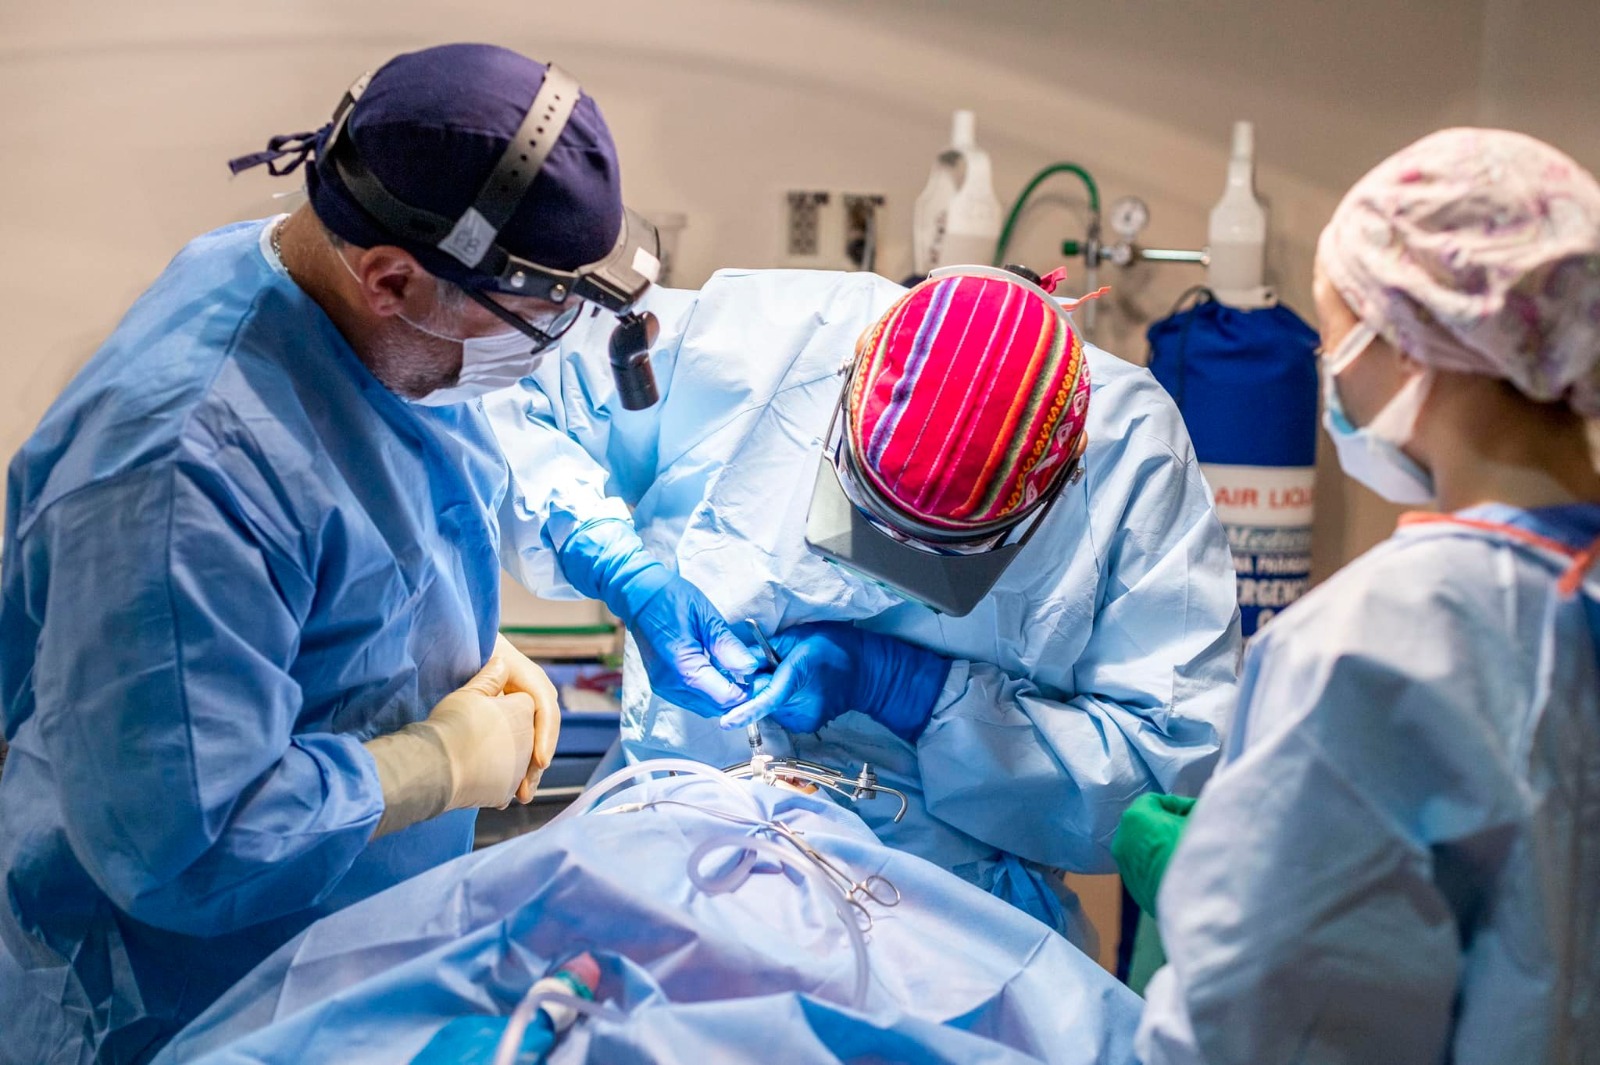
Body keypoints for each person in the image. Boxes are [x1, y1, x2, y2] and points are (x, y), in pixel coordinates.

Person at [0, 42, 663, 1062]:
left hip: (341, 941)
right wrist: (435, 763)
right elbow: (186, 848)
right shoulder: (175, 473)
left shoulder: (335, 309)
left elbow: (373, 528)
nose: (536, 355)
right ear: (392, 277)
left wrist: (458, 654)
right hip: (176, 1000)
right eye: (528, 329)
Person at [489, 263, 1242, 941]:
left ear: (1055, 493)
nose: (883, 573)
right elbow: (509, 395)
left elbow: (1161, 780)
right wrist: (624, 569)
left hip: (940, 924)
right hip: (667, 850)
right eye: (866, 518)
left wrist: (912, 692)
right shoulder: (764, 343)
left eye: (933, 553)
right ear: (848, 383)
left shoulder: (1129, 458)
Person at [1134, 128, 1600, 1064]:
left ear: (1413, 339)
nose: (1333, 377)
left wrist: (1220, 889)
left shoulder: (1369, 647)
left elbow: (1255, 1025)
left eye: (1339, 338)